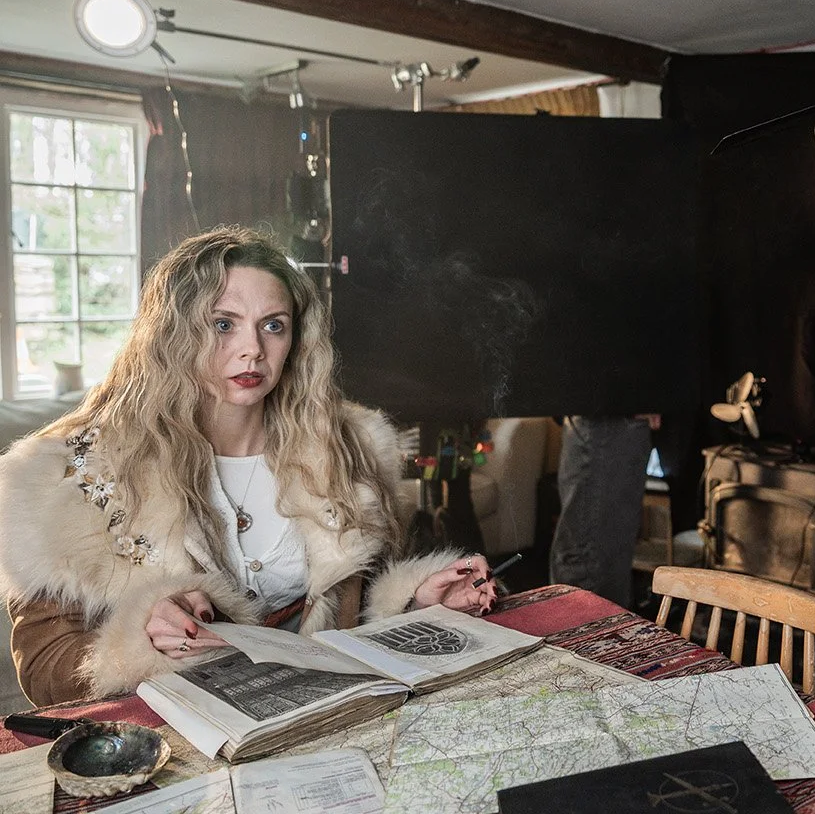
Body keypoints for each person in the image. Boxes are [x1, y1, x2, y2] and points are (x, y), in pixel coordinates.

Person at [0, 227, 498, 707]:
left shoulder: (351, 447)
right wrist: (144, 643)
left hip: (330, 716)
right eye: (223, 324)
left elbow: (362, 602)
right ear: (173, 333)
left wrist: (417, 603)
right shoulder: (72, 476)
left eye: (273, 325)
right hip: (181, 742)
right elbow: (44, 668)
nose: (253, 350)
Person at [549, 414, 659, 607]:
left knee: (586, 560)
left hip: (605, 420)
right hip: (602, 418)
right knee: (593, 557)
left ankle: (593, 634)